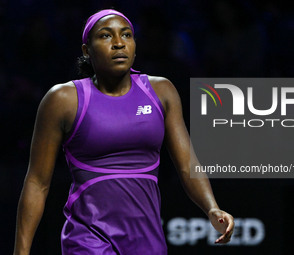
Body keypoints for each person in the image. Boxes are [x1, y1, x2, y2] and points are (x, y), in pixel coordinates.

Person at [14, 9, 234, 255]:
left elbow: (187, 165)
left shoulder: (161, 91)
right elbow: (37, 182)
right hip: (87, 239)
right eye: (106, 36)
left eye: (126, 35)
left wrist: (212, 208)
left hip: (148, 240)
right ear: (86, 50)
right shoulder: (64, 99)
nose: (119, 43)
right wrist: (21, 251)